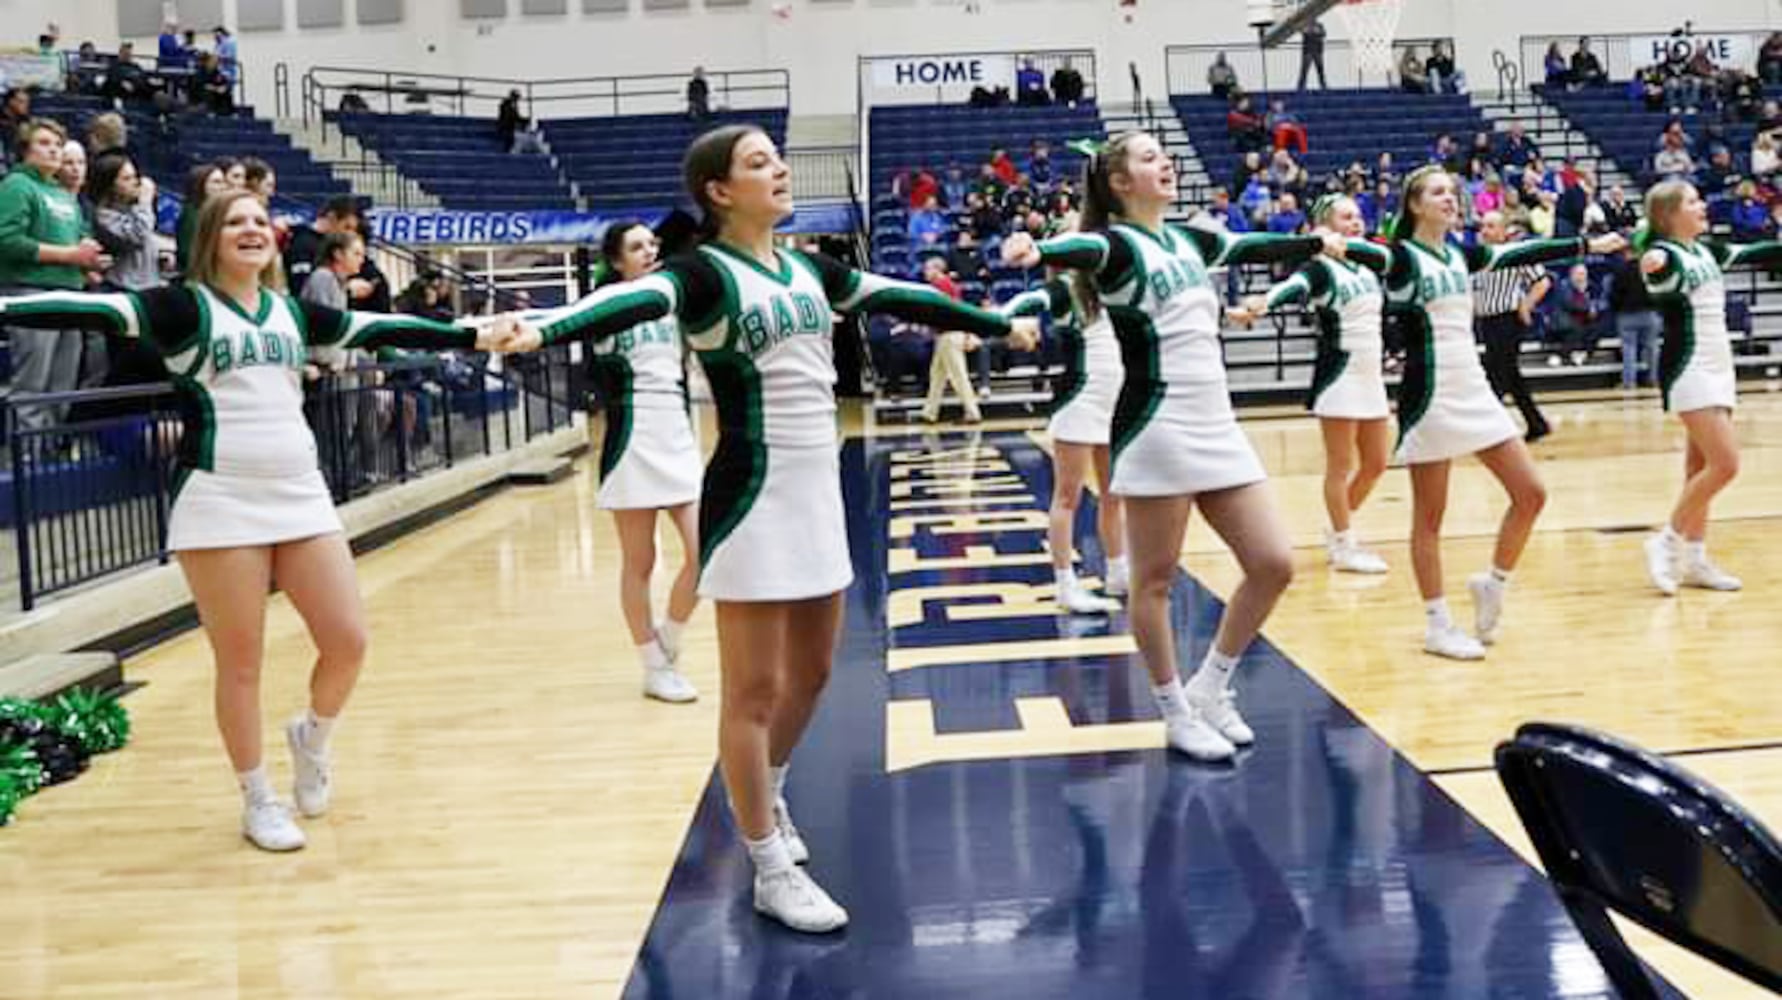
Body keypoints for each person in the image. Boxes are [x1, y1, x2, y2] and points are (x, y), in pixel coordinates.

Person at [493, 125, 1037, 933]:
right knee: (753, 690)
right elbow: (634, 299)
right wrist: (545, 325)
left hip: (819, 491)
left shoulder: (810, 268)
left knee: (814, 673)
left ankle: (767, 796)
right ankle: (765, 864)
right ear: (718, 191)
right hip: (750, 496)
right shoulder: (701, 274)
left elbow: (899, 296)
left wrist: (994, 322)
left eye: (776, 159)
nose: (778, 170)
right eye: (757, 164)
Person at [0, 190, 509, 852]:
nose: (250, 230)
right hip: (219, 500)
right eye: (232, 221)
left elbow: (380, 330)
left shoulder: (292, 311)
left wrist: (467, 334)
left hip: (300, 493)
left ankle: (313, 738)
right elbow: (88, 309)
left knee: (348, 639)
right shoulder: (180, 309)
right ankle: (257, 798)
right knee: (241, 665)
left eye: (257, 221)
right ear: (209, 239)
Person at [1001, 131, 1340, 764]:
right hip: (1156, 424)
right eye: (1149, 157)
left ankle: (1211, 686)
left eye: (1166, 153)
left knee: (1273, 563)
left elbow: (1249, 244)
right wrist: (1035, 246)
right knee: (1152, 581)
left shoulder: (1192, 236)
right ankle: (1174, 712)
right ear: (1120, 182)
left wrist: (1314, 241)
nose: (1166, 163)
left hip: (1217, 423)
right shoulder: (1115, 245)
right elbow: (1079, 246)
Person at [1376, 167, 1622, 660]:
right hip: (1428, 390)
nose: (1451, 197)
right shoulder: (1401, 257)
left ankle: (1493, 583)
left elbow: (1521, 252)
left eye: (1453, 190)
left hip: (1472, 382)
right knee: (1429, 517)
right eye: (1438, 192)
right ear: (1415, 206)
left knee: (1530, 493)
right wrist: (1330, 244)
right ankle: (1437, 624)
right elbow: (1364, 254)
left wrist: (1585, 248)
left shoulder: (1461, 253)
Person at [1636, 181, 1782, 595]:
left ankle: (1696, 560)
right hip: (1689, 366)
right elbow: (1658, 274)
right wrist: (1650, 259)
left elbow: (1757, 252)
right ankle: (1664, 541)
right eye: (1692, 202)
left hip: (1720, 364)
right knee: (1726, 464)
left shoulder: (1708, 251)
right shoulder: (1664, 255)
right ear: (1668, 215)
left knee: (1699, 469)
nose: (1702, 206)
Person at [1235, 195, 1390, 574]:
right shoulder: (1320, 269)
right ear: (1325, 225)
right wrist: (1260, 304)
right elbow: (1292, 285)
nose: (1356, 222)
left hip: (1372, 377)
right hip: (1340, 376)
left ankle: (1338, 526)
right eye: (1346, 217)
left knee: (1376, 463)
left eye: (1358, 215)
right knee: (1341, 465)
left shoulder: (1367, 267)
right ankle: (1343, 544)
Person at [584, 220, 703, 703]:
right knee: (641, 561)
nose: (650, 251)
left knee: (706, 553)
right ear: (616, 261)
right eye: (637, 247)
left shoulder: (673, 301)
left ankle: (668, 640)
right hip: (632, 439)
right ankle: (653, 667)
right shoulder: (603, 305)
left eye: (652, 243)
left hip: (676, 433)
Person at [1004, 269, 1130, 615]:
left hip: (1113, 401)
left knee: (1113, 493)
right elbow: (1026, 301)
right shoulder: (1063, 289)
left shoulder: (1110, 285)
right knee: (1067, 497)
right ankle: (1065, 585)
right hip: (1080, 400)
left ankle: (1118, 572)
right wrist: (1002, 321)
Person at [0, 119, 109, 432]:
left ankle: (51, 454)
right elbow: (7, 241)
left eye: (58, 144)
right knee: (33, 385)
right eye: (44, 143)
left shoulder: (63, 194)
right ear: (24, 150)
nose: (54, 150)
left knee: (63, 386)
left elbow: (75, 242)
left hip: (69, 294)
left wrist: (88, 261)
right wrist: (70, 255)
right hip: (30, 294)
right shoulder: (16, 185)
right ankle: (29, 464)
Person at [1298, 18, 1327, 90]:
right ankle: (1301, 86)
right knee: (1304, 70)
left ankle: (1323, 85)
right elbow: (1302, 31)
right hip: (1308, 51)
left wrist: (1315, 31)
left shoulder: (1319, 25)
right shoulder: (1304, 25)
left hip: (1317, 51)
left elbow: (1323, 33)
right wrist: (1311, 31)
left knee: (1320, 70)